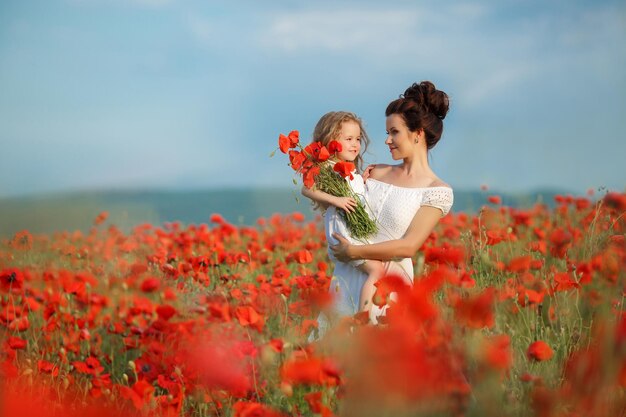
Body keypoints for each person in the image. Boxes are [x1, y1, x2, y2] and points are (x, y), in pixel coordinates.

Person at [329, 81, 454, 324]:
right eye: (388, 133)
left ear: (418, 134)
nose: (387, 141)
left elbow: (408, 246)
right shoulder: (376, 173)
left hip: (389, 282)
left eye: (394, 132)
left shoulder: (436, 190)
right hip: (349, 273)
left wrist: (353, 251)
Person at [301, 111, 387, 314]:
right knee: (377, 270)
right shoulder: (327, 167)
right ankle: (364, 318)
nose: (355, 144)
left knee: (373, 269)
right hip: (343, 233)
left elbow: (356, 195)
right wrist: (336, 200)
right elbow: (306, 189)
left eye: (357, 139)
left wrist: (363, 181)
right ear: (330, 141)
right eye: (348, 139)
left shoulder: (350, 170)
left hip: (352, 230)